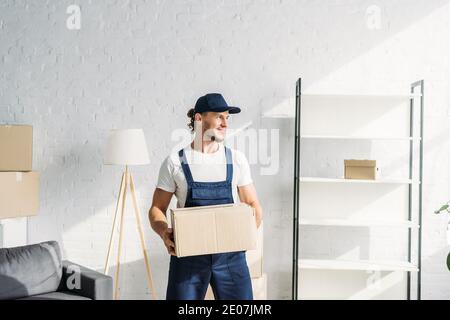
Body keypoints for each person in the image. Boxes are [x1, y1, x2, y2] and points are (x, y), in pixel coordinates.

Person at [149, 93, 263, 300]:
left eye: (227, 118)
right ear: (199, 119)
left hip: (231, 258)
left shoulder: (236, 159)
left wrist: (244, 234)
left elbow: (253, 203)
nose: (225, 123)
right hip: (188, 257)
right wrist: (165, 233)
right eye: (219, 116)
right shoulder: (174, 162)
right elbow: (157, 208)